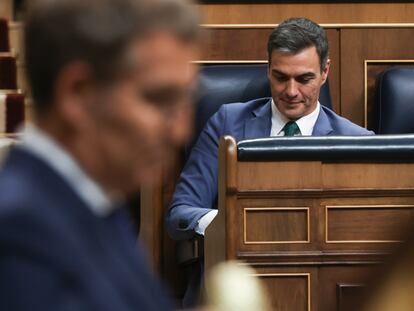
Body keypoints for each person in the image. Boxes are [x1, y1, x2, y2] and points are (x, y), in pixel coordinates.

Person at [0, 0, 199, 310]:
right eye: (160, 100)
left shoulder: (95, 203)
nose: (180, 132)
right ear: (77, 94)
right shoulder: (19, 233)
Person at [165, 17, 373, 305]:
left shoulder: (357, 141)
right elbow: (180, 214)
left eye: (304, 79)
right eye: (280, 77)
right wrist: (228, 223)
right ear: (268, 70)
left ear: (325, 72)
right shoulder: (227, 122)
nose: (290, 91)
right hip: (235, 288)